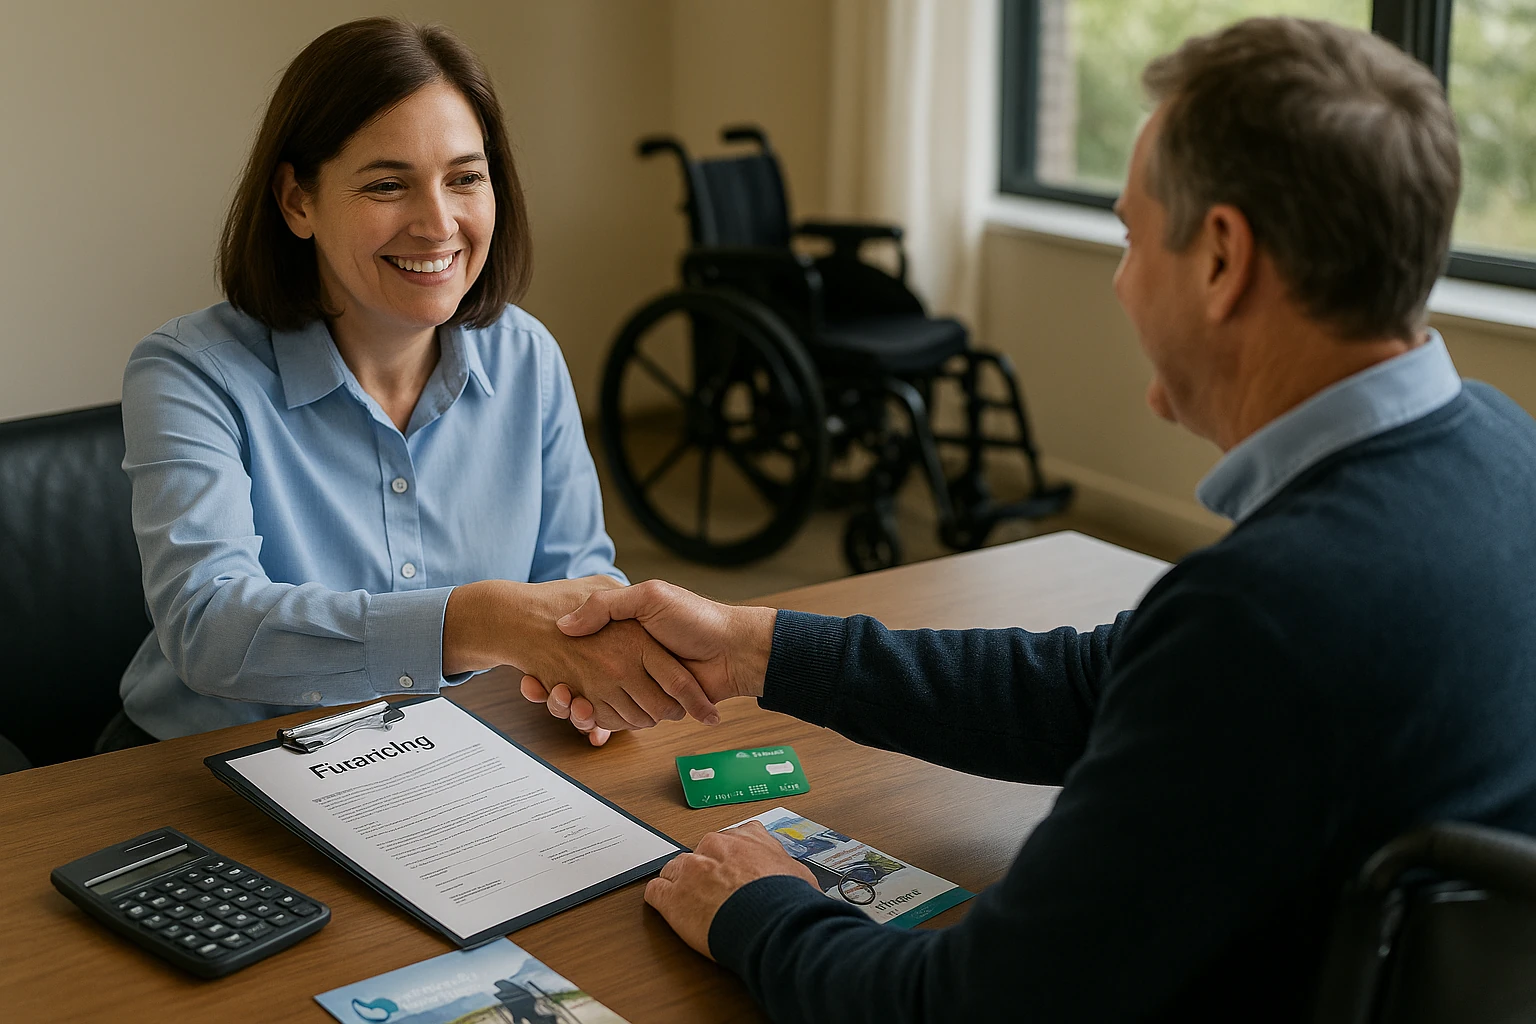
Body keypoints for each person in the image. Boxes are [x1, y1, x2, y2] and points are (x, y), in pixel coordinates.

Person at [523, 17, 1536, 1022]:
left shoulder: (1270, 612)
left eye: (1135, 237)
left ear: (1223, 259)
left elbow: (967, 1009)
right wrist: (756, 647)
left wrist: (758, 910)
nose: (1122, 278)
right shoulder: (1500, 448)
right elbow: (1102, 689)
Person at [108, 18, 717, 751]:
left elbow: (579, 575)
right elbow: (208, 627)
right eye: (388, 184)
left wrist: (597, 665)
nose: (438, 224)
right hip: (212, 764)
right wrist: (475, 621)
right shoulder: (188, 372)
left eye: (465, 178)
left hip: (454, 754)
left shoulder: (527, 357)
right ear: (297, 201)